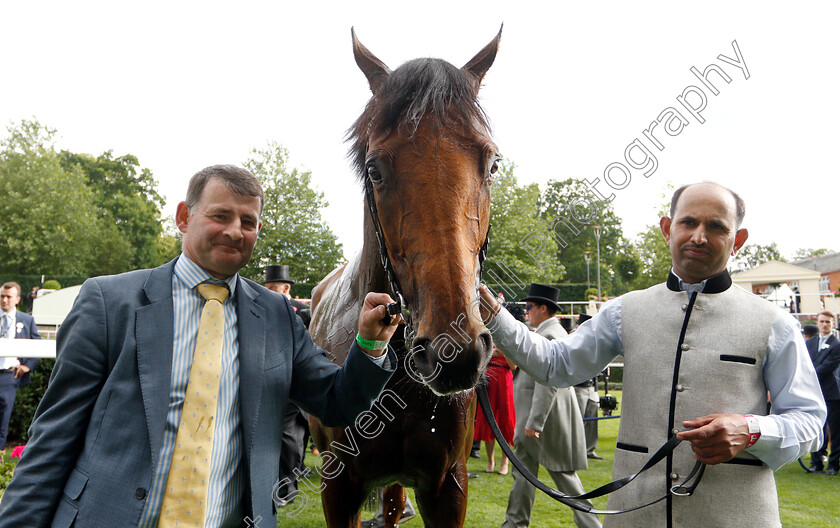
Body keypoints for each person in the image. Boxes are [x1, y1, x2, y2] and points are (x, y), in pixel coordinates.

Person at [0, 165, 400, 528]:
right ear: (183, 217)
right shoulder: (109, 302)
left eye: (249, 221)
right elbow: (54, 437)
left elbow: (336, 403)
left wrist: (369, 344)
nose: (234, 230)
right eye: (220, 215)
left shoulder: (278, 315)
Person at [479, 182, 825, 528]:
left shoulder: (774, 323)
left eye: (716, 226)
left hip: (735, 516)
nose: (699, 237)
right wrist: (492, 314)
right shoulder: (625, 310)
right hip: (635, 514)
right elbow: (557, 364)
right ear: (666, 229)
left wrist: (750, 430)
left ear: (738, 240)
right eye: (688, 222)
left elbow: (810, 422)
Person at [501, 283, 602, 528]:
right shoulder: (545, 331)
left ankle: (592, 526)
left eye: (529, 307)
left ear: (543, 308)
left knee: (563, 475)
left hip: (544, 420)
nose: (527, 312)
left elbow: (549, 382)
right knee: (523, 474)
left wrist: (535, 421)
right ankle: (514, 523)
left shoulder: (550, 334)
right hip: (535, 418)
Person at [264, 264, 314, 506]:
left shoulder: (304, 311)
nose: (271, 291)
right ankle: (283, 485)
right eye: (268, 288)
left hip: (294, 377)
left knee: (289, 433)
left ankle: (287, 489)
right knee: (288, 433)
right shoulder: (261, 308)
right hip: (268, 378)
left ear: (286, 288)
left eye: (275, 287)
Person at [474, 302, 520, 475]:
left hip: (505, 381)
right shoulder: (487, 335)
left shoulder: (508, 338)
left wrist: (504, 351)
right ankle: (491, 460)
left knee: (505, 420)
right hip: (488, 380)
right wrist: (491, 353)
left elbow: (513, 366)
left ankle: (505, 462)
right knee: (488, 419)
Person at [0, 281, 40, 449]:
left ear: (17, 299)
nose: (4, 300)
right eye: (2, 296)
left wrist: (27, 366)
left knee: (3, 421)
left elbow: (37, 345)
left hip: (9, 377)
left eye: (8, 297)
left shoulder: (27, 320)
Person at [807, 311, 840, 474]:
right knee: (816, 428)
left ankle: (833, 464)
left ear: (833, 324)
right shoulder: (810, 343)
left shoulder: (837, 345)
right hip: (813, 393)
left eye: (828, 321)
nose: (825, 324)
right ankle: (816, 462)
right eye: (822, 321)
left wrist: (808, 375)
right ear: (818, 323)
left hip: (832, 394)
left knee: (835, 430)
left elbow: (828, 366)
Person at [572, 313, 603, 460]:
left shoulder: (594, 341)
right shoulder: (575, 340)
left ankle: (590, 450)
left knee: (592, 419)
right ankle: (576, 451)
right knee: (578, 419)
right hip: (579, 386)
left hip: (592, 386)